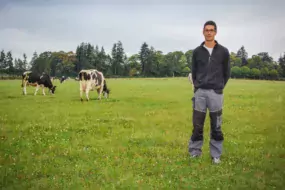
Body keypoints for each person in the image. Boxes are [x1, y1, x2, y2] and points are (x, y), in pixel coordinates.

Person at [189, 20, 231, 164]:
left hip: (216, 93)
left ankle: (216, 155)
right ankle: (195, 152)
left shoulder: (223, 52)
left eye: (211, 30)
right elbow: (193, 72)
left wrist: (218, 87)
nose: (209, 32)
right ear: (203, 32)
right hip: (200, 93)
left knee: (216, 125)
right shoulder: (197, 52)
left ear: (215, 32)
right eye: (206, 30)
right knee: (197, 125)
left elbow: (227, 73)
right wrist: (197, 87)